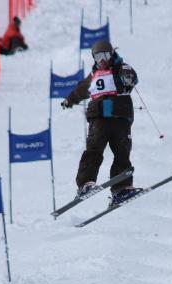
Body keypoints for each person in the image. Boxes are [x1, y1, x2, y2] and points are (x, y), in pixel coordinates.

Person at [61, 40, 141, 205]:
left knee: (122, 152)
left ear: (111, 54)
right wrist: (70, 100)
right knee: (94, 149)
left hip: (120, 117)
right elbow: (80, 90)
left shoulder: (120, 68)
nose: (102, 60)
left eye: (105, 55)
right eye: (98, 57)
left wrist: (129, 78)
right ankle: (85, 183)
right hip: (99, 118)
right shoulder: (93, 75)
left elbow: (131, 76)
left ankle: (121, 188)